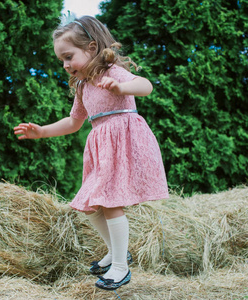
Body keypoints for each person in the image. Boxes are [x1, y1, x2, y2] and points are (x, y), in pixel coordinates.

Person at [14, 16, 169, 290]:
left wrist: (122, 87)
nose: (64, 65)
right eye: (61, 60)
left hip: (123, 142)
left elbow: (146, 85)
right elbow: (74, 122)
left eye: (68, 56)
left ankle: (120, 267)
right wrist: (42, 131)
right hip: (102, 147)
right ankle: (117, 252)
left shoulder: (111, 72)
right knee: (89, 205)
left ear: (92, 47)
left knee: (110, 204)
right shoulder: (83, 86)